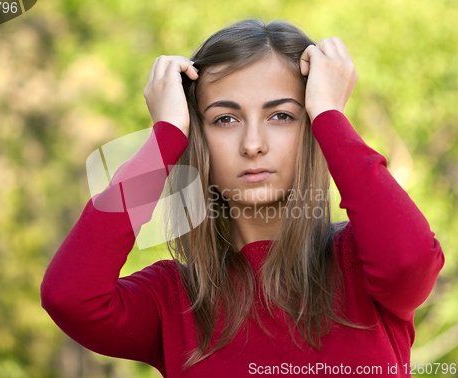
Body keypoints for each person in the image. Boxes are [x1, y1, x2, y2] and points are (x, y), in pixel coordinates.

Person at [40, 18, 445, 377]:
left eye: (282, 115)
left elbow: (411, 261)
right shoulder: (177, 300)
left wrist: (328, 114)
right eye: (225, 119)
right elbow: (70, 296)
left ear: (311, 131)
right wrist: (166, 134)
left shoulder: (362, 267)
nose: (253, 144)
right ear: (199, 138)